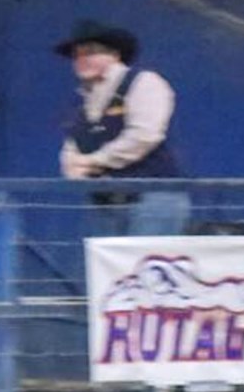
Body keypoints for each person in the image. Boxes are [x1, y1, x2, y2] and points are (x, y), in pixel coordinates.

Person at [57, 19, 190, 238]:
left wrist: (93, 161)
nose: (82, 60)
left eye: (91, 52)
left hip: (151, 200)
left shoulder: (143, 82)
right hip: (106, 204)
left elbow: (144, 136)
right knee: (108, 269)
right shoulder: (82, 101)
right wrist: (74, 169)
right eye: (77, 54)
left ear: (114, 55)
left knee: (142, 267)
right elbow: (72, 146)